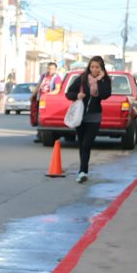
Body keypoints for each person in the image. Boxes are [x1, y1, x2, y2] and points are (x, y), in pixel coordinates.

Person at [64, 55, 112, 183]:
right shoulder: (83, 78)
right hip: (81, 116)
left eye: (97, 67)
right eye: (92, 67)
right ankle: (83, 171)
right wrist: (77, 95)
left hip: (95, 116)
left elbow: (105, 95)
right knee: (82, 145)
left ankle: (82, 171)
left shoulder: (105, 80)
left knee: (86, 144)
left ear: (101, 68)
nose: (94, 69)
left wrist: (100, 80)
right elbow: (68, 93)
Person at [30, 62, 62, 129]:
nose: (50, 70)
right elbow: (38, 86)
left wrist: (47, 95)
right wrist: (33, 95)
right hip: (41, 99)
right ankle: (39, 133)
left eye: (52, 69)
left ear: (55, 69)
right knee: (38, 115)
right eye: (49, 68)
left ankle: (44, 133)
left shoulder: (57, 78)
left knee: (45, 117)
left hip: (49, 100)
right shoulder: (43, 76)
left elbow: (57, 90)